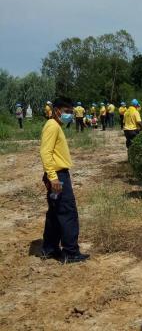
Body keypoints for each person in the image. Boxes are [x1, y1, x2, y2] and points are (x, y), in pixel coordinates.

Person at [39, 97, 89, 263]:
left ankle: (50, 248)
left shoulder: (54, 125)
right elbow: (45, 153)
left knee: (55, 212)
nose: (70, 115)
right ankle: (70, 251)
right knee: (67, 211)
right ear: (57, 111)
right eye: (67, 112)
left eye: (71, 112)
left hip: (56, 175)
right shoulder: (52, 126)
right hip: (58, 176)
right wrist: (53, 177)